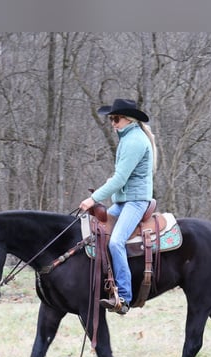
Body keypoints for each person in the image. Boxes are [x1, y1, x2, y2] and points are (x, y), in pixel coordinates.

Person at [79, 98, 158, 315]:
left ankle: (123, 297)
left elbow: (120, 179)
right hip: (123, 202)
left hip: (135, 202)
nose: (113, 123)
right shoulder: (128, 138)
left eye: (115, 119)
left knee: (115, 242)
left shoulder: (134, 141)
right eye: (111, 119)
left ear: (128, 119)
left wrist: (93, 199)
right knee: (95, 234)